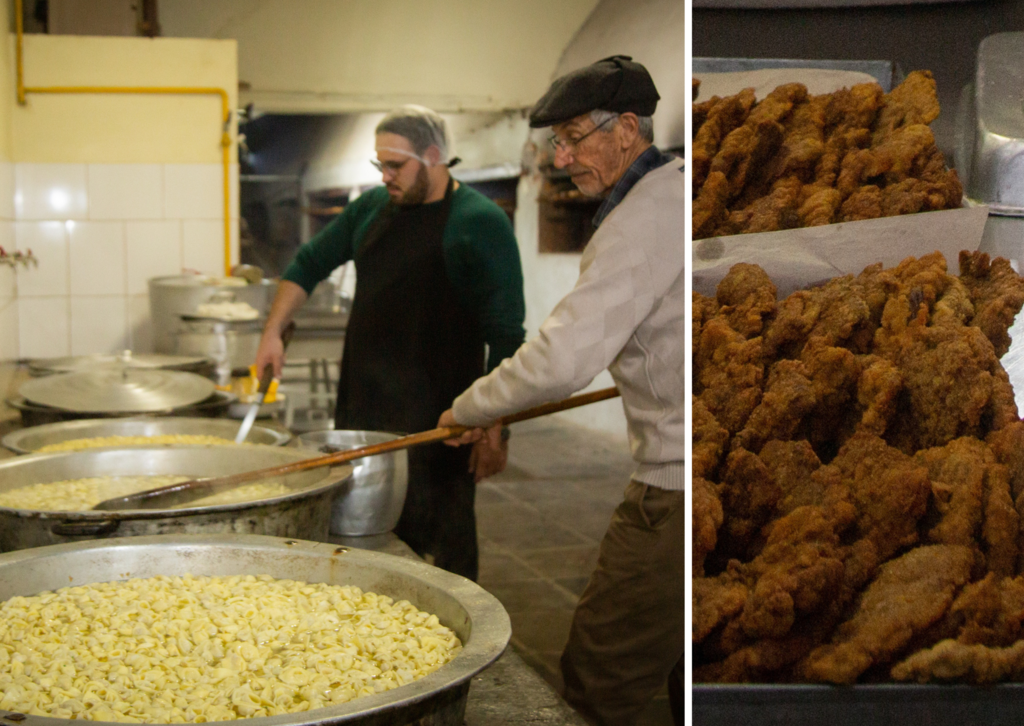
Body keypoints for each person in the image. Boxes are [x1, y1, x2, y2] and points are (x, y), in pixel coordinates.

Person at [437, 56, 684, 725]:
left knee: (605, 669)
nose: (563, 157)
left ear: (627, 129)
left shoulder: (641, 219)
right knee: (688, 664)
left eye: (575, 138)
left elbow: (561, 361)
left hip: (679, 487)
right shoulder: (674, 192)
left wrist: (470, 407)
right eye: (557, 143)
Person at [255, 105, 526, 581]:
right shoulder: (371, 210)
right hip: (364, 411)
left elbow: (506, 334)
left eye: (395, 166)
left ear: (434, 156)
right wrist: (272, 331)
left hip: (442, 423)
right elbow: (310, 262)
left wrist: (496, 426)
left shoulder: (479, 222)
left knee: (442, 550)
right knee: (360, 538)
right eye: (379, 165)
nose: (385, 177)